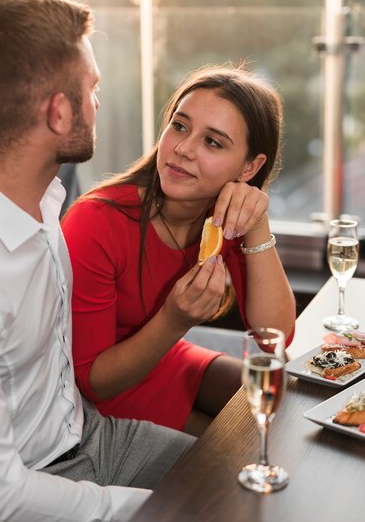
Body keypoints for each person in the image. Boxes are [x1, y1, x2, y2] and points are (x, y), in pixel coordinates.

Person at [0, 0, 195, 522]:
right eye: (93, 88)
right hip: (25, 488)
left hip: (88, 435)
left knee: (245, 477)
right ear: (59, 112)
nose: (99, 102)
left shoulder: (38, 194)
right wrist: (153, 509)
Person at [62, 64, 297, 436]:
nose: (183, 149)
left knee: (285, 402)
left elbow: (274, 336)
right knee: (232, 452)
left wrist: (257, 223)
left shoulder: (222, 216)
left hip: (167, 361)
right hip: (106, 393)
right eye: (180, 125)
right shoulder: (94, 222)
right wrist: (175, 319)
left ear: (250, 167)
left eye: (213, 142)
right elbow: (92, 381)